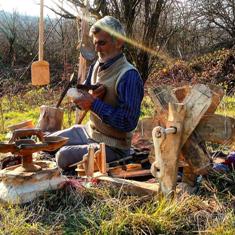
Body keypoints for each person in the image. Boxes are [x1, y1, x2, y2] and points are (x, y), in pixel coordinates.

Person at [51, 16, 144, 170]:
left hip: (114, 145)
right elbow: (86, 102)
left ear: (119, 42)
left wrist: (94, 104)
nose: (97, 49)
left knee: (62, 156)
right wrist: (81, 100)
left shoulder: (129, 76)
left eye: (102, 43)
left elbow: (128, 122)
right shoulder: (96, 65)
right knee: (50, 141)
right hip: (90, 132)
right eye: (95, 43)